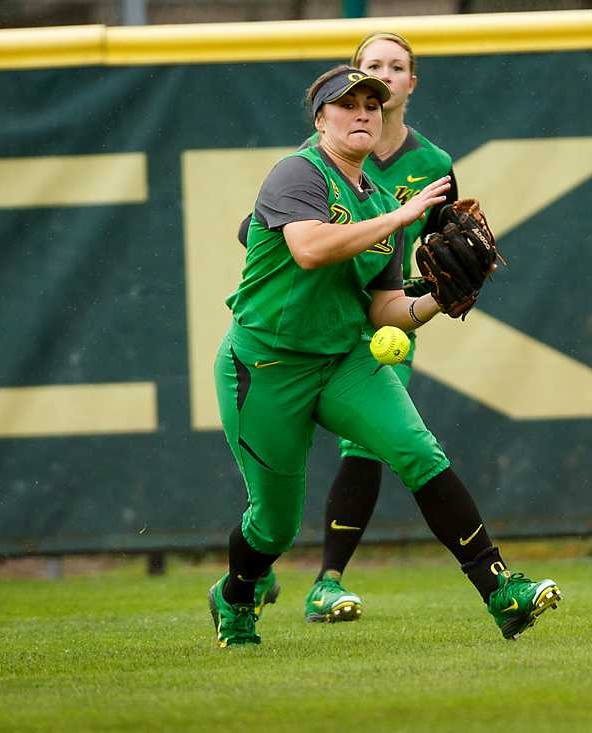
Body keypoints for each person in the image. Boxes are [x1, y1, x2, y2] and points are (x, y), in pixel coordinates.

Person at [209, 64, 561, 647]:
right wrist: (398, 217)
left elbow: (386, 311)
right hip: (265, 364)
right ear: (321, 119)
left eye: (373, 104)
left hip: (343, 359)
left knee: (418, 452)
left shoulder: (377, 203)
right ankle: (236, 595)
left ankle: (501, 590)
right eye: (348, 105)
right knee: (274, 523)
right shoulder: (298, 172)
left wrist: (437, 302)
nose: (363, 113)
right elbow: (308, 248)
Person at [240, 32, 463, 624]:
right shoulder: (313, 161)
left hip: (379, 323)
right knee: (275, 498)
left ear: (409, 84)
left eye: (395, 69)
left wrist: (443, 285)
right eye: (370, 68)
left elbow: (440, 246)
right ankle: (253, 571)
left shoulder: (432, 164)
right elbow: (262, 235)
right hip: (298, 329)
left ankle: (328, 581)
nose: (381, 80)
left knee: (382, 445)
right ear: (331, 104)